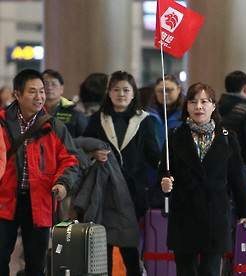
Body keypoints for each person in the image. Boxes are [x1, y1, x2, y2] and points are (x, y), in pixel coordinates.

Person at [159, 82, 246, 276]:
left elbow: (236, 176)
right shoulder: (175, 136)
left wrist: (245, 210)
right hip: (184, 213)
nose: (198, 107)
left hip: (215, 214)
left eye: (204, 101)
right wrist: (164, 182)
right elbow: (164, 172)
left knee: (210, 271)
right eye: (193, 102)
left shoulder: (227, 137)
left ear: (213, 105)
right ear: (187, 107)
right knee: (186, 271)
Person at [0, 69, 79, 276]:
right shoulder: (2, 124)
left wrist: (62, 182)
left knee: (36, 264)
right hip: (4, 201)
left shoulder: (53, 126)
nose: (39, 97)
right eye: (32, 92)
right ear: (17, 94)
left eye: (41, 91)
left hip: (40, 202)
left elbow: (70, 160)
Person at [83, 71, 160, 275]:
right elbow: (82, 149)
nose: (121, 94)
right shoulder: (98, 119)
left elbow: (153, 155)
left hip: (132, 192)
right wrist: (93, 153)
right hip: (104, 190)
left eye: (126, 90)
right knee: (103, 244)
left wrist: (167, 169)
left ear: (134, 94)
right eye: (116, 89)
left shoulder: (144, 121)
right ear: (109, 93)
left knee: (129, 245)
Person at [42, 69, 88, 137]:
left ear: (62, 89)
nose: (49, 87)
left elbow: (84, 138)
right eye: (45, 84)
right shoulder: (32, 110)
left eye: (54, 84)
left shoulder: (74, 110)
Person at [148, 74, 184, 146]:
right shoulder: (149, 115)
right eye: (160, 91)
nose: (165, 94)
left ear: (178, 89)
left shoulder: (186, 114)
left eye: (169, 90)